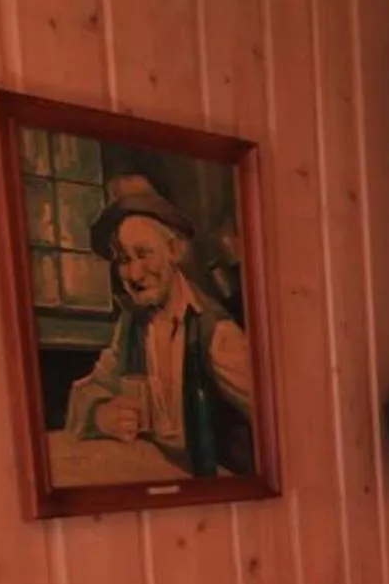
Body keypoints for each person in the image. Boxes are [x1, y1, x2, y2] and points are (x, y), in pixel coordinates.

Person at [63, 174, 255, 477]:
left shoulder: (216, 332)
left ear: (174, 250)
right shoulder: (132, 324)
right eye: (123, 258)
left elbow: (276, 421)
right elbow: (87, 391)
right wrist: (100, 414)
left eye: (143, 254)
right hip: (154, 473)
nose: (133, 272)